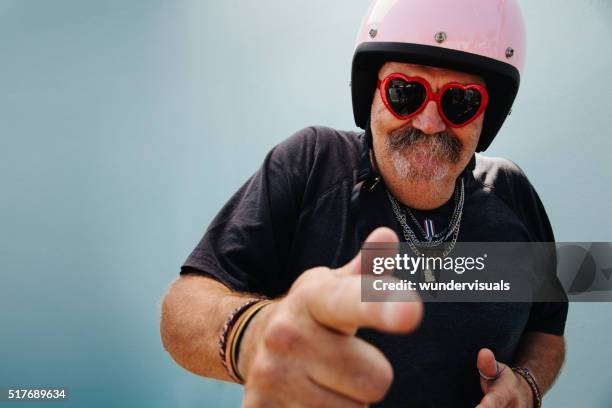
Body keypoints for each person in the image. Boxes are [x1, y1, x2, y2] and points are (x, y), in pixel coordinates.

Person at [160, 0, 568, 406]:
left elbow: (548, 332)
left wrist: (527, 384)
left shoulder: (513, 193)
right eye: (404, 92)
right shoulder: (313, 163)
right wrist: (252, 335)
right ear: (370, 93)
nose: (429, 123)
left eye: (460, 102)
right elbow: (183, 306)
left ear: (487, 117)